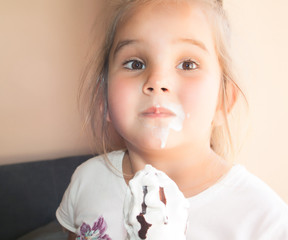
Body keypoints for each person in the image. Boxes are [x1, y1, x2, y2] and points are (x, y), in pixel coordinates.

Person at [56, 0, 288, 239]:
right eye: (135, 63)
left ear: (223, 101)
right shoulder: (87, 181)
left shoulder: (264, 221)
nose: (157, 81)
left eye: (188, 64)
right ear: (103, 99)